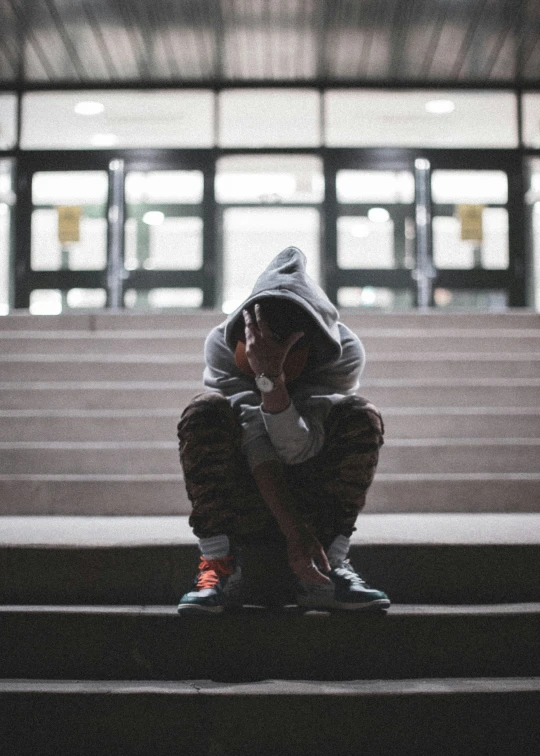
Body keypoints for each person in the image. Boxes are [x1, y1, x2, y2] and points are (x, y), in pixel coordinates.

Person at [177, 246, 390, 613]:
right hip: (246, 486)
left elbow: (297, 449)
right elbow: (255, 439)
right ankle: (217, 565)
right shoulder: (223, 345)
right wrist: (294, 532)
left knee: (360, 415)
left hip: (312, 480)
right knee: (204, 410)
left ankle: (331, 566)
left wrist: (271, 382)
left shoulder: (343, 352)